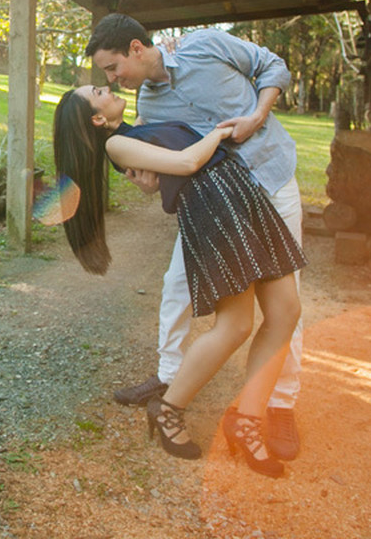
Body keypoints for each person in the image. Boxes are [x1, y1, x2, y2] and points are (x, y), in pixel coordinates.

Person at [53, 84, 304, 477]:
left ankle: (247, 419)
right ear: (97, 119)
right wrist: (220, 133)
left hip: (241, 195)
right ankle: (169, 410)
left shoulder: (134, 128)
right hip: (215, 207)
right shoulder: (115, 147)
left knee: (287, 311)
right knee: (236, 324)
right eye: (99, 91)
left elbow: (158, 141)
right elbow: (187, 163)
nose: (109, 85)